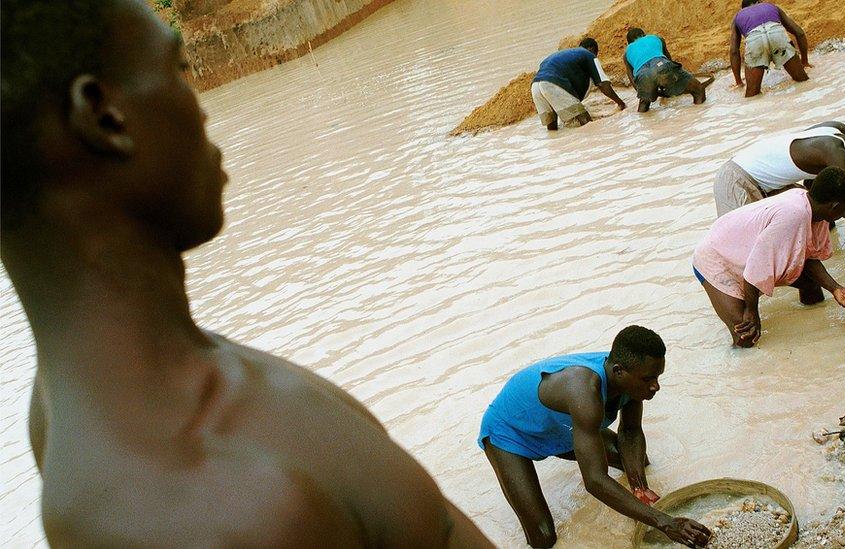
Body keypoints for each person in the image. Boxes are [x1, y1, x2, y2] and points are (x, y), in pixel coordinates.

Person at [0, 1, 492, 547]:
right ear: (104, 116)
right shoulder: (237, 508)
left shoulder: (70, 412)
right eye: (179, 70)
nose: (205, 111)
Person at [479, 326, 712, 548]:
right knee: (544, 537)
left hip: (563, 427)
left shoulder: (630, 378)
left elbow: (630, 432)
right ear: (619, 371)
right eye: (648, 379)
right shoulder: (584, 390)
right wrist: (664, 522)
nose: (655, 386)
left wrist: (639, 487)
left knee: (637, 464)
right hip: (510, 434)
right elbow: (595, 481)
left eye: (657, 377)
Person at [694, 168, 845, 348]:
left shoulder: (812, 208)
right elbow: (756, 267)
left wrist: (836, 289)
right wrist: (752, 311)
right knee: (746, 337)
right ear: (835, 207)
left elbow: (808, 256)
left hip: (744, 250)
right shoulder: (793, 215)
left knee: (812, 286)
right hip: (717, 258)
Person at [713, 118, 845, 237]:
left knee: (816, 219)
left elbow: (814, 180)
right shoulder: (837, 153)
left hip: (764, 176)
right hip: (738, 180)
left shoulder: (836, 129)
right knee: (741, 246)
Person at [531, 37, 626, 130]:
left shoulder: (568, 55)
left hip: (535, 87)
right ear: (594, 51)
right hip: (553, 83)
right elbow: (602, 84)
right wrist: (621, 104)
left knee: (552, 130)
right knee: (587, 124)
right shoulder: (589, 55)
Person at [729, 0, 810, 97]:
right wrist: (804, 62)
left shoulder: (738, 16)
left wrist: (738, 82)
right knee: (803, 82)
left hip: (754, 40)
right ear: (759, 2)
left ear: (743, 8)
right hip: (776, 33)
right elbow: (799, 33)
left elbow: (734, 51)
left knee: (752, 96)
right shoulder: (771, 6)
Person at [624, 28, 714, 110]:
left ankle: (643, 123)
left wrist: (645, 93)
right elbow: (668, 61)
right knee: (698, 89)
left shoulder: (627, 52)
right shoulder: (656, 38)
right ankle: (698, 114)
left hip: (642, 75)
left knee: (644, 104)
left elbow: (632, 78)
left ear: (630, 43)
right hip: (661, 64)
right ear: (644, 35)